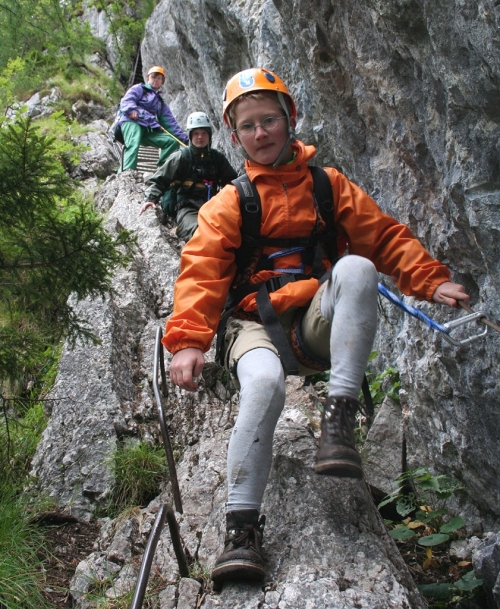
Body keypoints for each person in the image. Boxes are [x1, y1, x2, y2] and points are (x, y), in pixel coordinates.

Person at [162, 68, 470, 587]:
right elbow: (202, 272)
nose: (261, 134)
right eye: (248, 126)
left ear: (291, 119)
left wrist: (429, 280)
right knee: (262, 384)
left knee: (357, 268)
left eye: (269, 120)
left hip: (313, 326)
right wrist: (189, 341)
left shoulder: (328, 187)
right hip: (252, 326)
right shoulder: (229, 203)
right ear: (233, 136)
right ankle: (240, 531)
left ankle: (339, 422)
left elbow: (383, 237)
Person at [140, 112, 237, 241]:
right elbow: (161, 180)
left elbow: (232, 182)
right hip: (186, 207)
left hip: (212, 206)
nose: (200, 137)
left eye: (204, 133)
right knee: (200, 233)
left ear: (209, 135)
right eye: (196, 133)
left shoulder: (216, 158)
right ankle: (182, 230)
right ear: (190, 136)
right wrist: (150, 198)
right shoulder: (180, 157)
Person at [116, 66, 189, 172]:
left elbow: (170, 124)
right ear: (148, 78)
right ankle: (126, 173)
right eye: (154, 77)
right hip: (132, 121)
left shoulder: (160, 103)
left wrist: (186, 140)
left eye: (159, 78)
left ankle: (163, 171)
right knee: (133, 143)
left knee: (171, 141)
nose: (156, 80)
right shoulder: (139, 89)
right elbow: (127, 100)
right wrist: (132, 110)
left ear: (162, 82)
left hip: (147, 129)